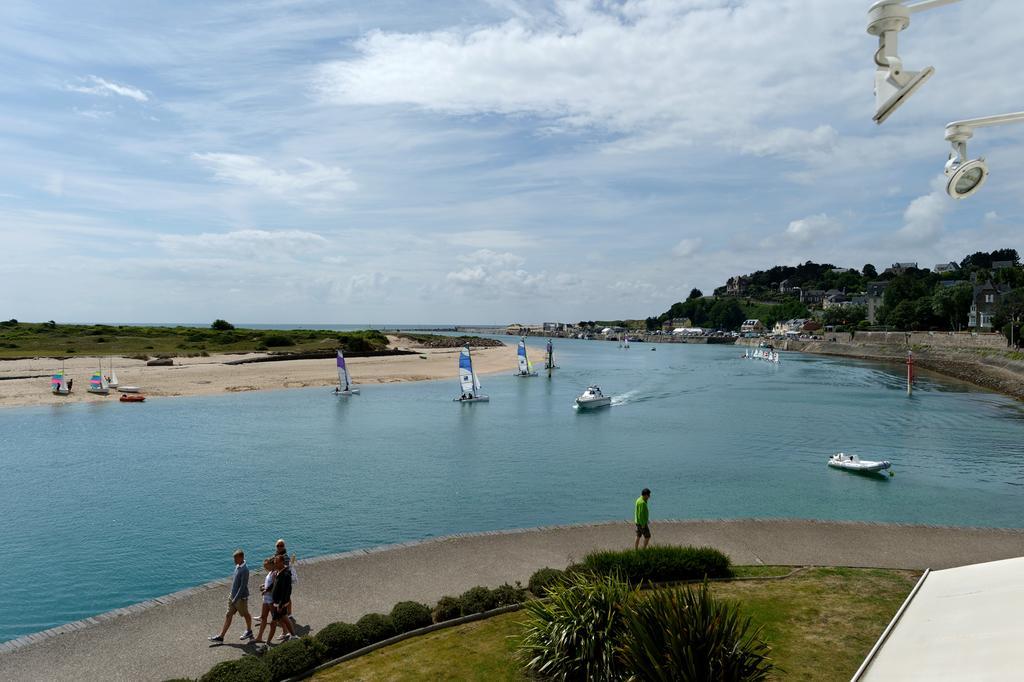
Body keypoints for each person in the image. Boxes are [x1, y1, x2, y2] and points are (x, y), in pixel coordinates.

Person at [208, 549, 253, 643]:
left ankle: (249, 631)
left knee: (246, 614)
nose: (234, 561)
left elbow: (242, 587)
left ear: (241, 557)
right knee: (228, 615)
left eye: (236, 559)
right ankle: (221, 637)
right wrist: (232, 596)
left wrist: (235, 599)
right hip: (233, 597)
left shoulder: (245, 570)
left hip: (240, 599)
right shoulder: (237, 566)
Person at [264, 553, 294, 644]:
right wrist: (267, 589)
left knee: (273, 623)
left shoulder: (286, 574)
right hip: (277, 602)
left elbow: (286, 591)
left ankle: (267, 643)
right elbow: (275, 584)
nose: (275, 565)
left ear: (281, 562)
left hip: (280, 603)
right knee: (284, 618)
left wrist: (280, 605)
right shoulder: (278, 572)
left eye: (276, 563)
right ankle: (293, 635)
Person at [252, 557, 276, 644]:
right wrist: (264, 586)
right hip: (266, 598)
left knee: (276, 618)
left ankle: (286, 632)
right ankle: (259, 637)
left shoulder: (274, 573)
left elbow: (274, 586)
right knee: (263, 617)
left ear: (271, 564)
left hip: (271, 599)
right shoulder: (270, 572)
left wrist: (266, 590)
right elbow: (269, 584)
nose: (265, 568)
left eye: (266, 566)